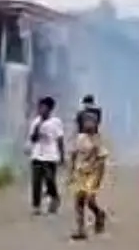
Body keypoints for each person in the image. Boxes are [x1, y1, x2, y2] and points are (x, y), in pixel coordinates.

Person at [68, 110, 109, 240]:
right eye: (87, 121)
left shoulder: (98, 141)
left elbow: (102, 161)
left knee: (90, 201)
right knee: (79, 201)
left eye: (92, 121)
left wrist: (99, 179)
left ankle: (99, 214)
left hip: (93, 173)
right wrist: (70, 173)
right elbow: (73, 156)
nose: (89, 124)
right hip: (81, 173)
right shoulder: (80, 138)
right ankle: (81, 229)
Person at [28, 96, 65, 215]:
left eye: (43, 107)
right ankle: (36, 205)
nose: (41, 109)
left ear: (49, 109)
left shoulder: (56, 122)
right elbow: (33, 139)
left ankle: (54, 197)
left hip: (51, 156)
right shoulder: (35, 121)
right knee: (36, 181)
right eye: (39, 107)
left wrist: (62, 155)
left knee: (50, 180)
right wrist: (38, 127)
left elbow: (60, 139)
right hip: (37, 155)